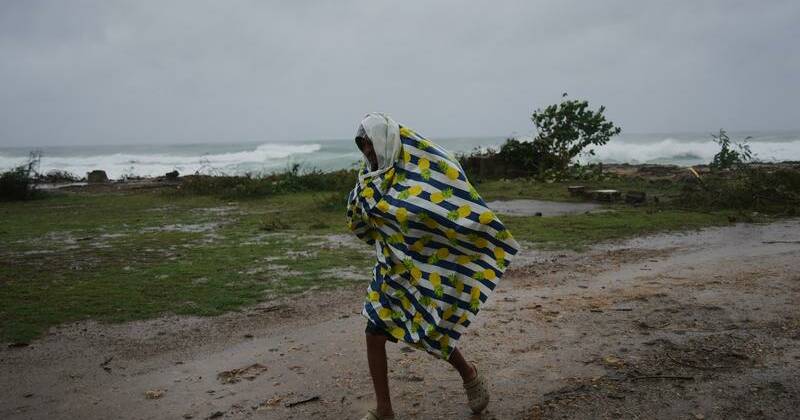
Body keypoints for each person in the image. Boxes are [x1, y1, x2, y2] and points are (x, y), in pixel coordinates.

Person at [346, 113, 520, 419]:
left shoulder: (421, 174)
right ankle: (384, 410)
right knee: (373, 332)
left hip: (424, 270)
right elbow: (363, 221)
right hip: (390, 270)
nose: (368, 152)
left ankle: (469, 374)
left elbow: (445, 207)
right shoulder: (368, 179)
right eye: (363, 146)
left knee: (432, 332)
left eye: (371, 144)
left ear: (386, 141)